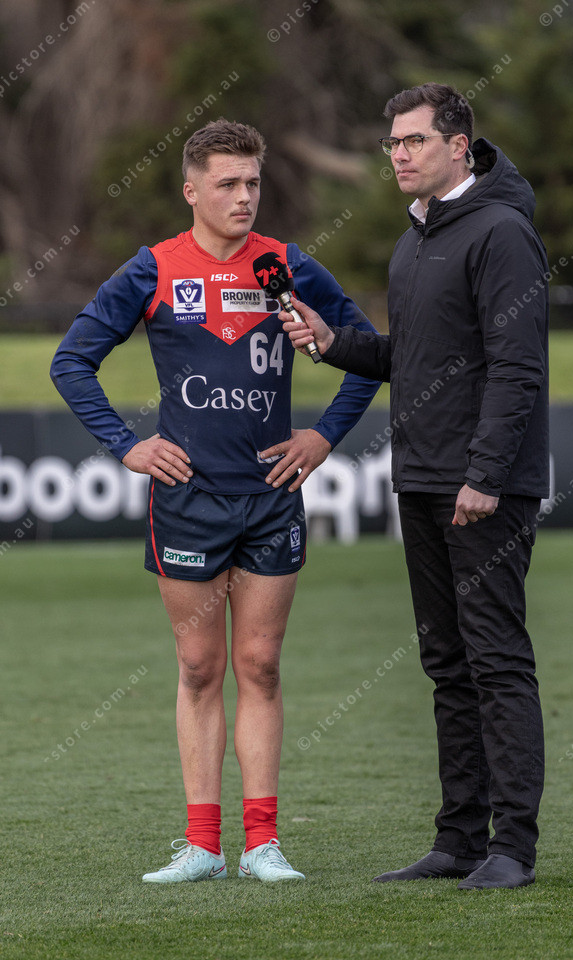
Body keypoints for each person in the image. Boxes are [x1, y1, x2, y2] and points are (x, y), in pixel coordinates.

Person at [50, 118, 380, 884]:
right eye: (228, 183)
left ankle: (263, 844)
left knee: (260, 664)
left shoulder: (288, 267)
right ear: (191, 190)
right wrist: (126, 445)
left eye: (253, 182)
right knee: (199, 668)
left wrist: (323, 436)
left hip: (270, 496)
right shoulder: (154, 269)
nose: (243, 196)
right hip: (187, 501)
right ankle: (202, 846)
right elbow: (72, 362)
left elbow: (366, 354)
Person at [277, 83, 549, 890]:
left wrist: (485, 476)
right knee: (446, 662)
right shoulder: (416, 237)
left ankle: (513, 848)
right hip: (422, 477)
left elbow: (517, 368)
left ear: (459, 146)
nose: (398, 154)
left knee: (496, 660)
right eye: (393, 142)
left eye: (415, 141)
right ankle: (459, 839)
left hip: (481, 487)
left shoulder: (502, 232)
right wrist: (333, 342)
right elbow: (414, 359)